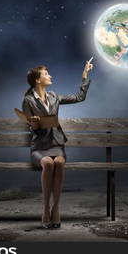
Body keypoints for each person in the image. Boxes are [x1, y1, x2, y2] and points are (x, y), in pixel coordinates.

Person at [21, 59, 93, 229]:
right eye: (46, 74)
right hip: (39, 147)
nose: (50, 75)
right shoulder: (28, 100)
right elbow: (29, 125)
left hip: (56, 144)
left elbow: (79, 97)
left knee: (59, 162)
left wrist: (85, 75)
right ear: (38, 79)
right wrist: (34, 124)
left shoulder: (54, 96)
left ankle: (56, 208)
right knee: (48, 163)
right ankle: (45, 208)